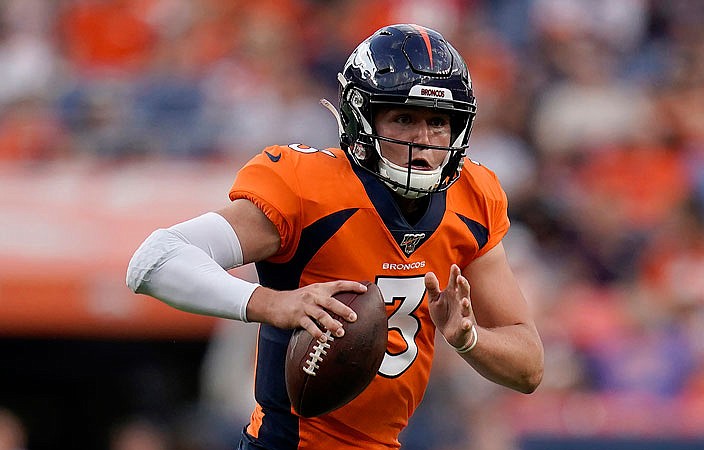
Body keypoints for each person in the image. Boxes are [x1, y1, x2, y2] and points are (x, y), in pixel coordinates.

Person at [126, 23, 544, 449]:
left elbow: (529, 367)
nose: (424, 140)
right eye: (404, 118)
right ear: (360, 117)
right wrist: (273, 303)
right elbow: (154, 260)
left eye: (438, 122)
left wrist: (469, 339)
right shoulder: (308, 188)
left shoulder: (473, 197)